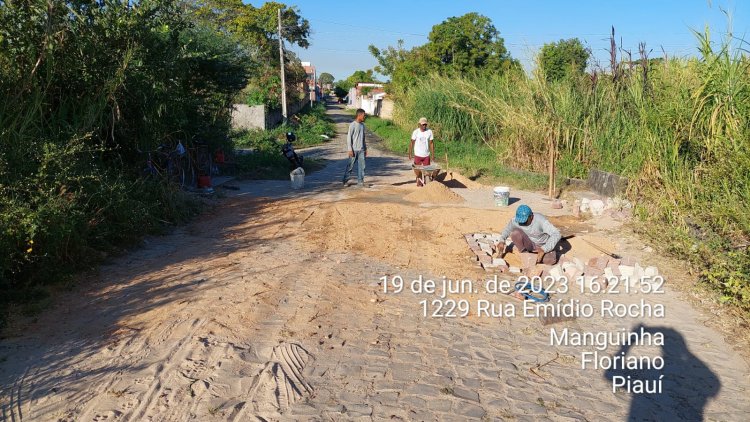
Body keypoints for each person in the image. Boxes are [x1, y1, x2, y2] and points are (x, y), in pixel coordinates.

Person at [497, 204, 561, 265]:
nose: (522, 223)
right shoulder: (516, 220)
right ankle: (525, 254)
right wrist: (501, 240)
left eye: (524, 221)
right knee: (515, 234)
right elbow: (507, 230)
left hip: (542, 245)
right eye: (520, 221)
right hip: (530, 243)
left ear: (531, 216)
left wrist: (544, 249)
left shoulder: (540, 220)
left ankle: (535, 256)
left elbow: (556, 233)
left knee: (551, 260)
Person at [342, 108, 367, 187]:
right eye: (363, 116)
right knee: (350, 166)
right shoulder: (352, 125)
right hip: (353, 150)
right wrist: (350, 149)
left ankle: (360, 182)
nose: (364, 117)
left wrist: (365, 148)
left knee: (362, 167)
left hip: (361, 150)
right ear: (359, 115)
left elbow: (363, 138)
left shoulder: (362, 125)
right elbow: (349, 138)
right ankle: (345, 180)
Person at [408, 117, 435, 186]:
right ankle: (419, 181)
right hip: (418, 154)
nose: (424, 126)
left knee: (427, 171)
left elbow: (431, 143)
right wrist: (410, 153)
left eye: (425, 124)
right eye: (423, 124)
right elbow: (412, 142)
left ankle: (427, 183)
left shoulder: (429, 132)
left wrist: (432, 155)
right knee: (418, 170)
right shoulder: (416, 132)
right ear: (419, 124)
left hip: (426, 155)